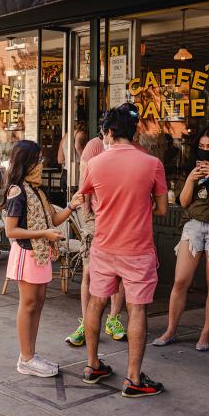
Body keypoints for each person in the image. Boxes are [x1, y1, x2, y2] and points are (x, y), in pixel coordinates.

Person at [79, 105, 167, 398]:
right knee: (137, 309)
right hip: (137, 249)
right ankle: (133, 378)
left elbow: (86, 201)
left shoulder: (95, 164)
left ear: (111, 132)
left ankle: (92, 365)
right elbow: (163, 209)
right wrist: (141, 206)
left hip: (104, 246)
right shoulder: (152, 163)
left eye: (104, 131)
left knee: (96, 303)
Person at [153, 125, 209, 352]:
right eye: (202, 146)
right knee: (181, 281)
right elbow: (183, 202)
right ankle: (171, 330)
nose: (206, 151)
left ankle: (206, 333)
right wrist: (192, 180)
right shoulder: (192, 169)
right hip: (193, 227)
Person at [3, 140, 84, 377]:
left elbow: (54, 220)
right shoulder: (17, 190)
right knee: (28, 305)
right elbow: (11, 231)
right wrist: (44, 234)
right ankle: (26, 358)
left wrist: (71, 206)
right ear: (26, 162)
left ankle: (30, 354)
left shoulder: (37, 189)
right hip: (27, 253)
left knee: (37, 304)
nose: (41, 164)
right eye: (37, 160)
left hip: (39, 253)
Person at [65, 122, 128, 347]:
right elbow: (84, 183)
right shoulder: (94, 146)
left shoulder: (129, 148)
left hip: (119, 219)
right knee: (89, 271)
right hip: (95, 217)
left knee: (117, 273)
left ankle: (113, 319)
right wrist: (88, 218)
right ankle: (86, 323)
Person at [57, 119, 87, 187]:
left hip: (65, 174)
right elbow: (77, 146)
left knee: (67, 197)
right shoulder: (80, 133)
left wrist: (68, 160)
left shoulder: (65, 136)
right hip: (76, 173)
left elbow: (60, 160)